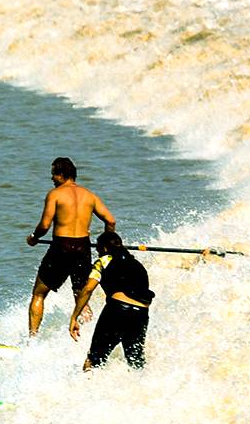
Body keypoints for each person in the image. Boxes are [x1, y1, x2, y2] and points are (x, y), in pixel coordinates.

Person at [25, 157, 116, 336]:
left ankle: (32, 340)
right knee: (81, 296)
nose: (51, 178)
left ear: (61, 175)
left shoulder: (55, 194)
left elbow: (44, 225)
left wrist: (34, 237)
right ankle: (88, 337)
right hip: (83, 249)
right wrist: (107, 247)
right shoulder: (90, 195)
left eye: (53, 174)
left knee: (39, 294)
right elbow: (110, 221)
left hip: (61, 247)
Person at [69, 231, 154, 370]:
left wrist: (74, 317)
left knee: (93, 360)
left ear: (104, 249)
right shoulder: (138, 265)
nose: (97, 253)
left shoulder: (103, 261)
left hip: (117, 311)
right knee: (136, 363)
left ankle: (85, 387)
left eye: (98, 250)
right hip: (141, 314)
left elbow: (88, 290)